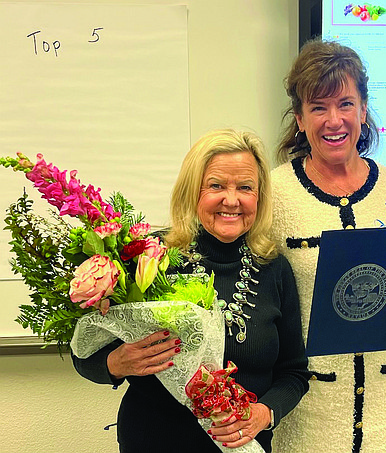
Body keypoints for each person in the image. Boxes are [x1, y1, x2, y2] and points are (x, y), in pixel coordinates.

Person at [72, 129, 310, 453]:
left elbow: (293, 373)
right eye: (216, 185)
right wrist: (116, 363)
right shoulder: (148, 255)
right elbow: (84, 357)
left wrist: (263, 414)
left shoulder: (274, 268)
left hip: (243, 447)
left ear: (259, 196)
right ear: (191, 191)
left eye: (245, 187)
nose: (231, 199)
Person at [270, 39, 386, 453]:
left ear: (364, 111)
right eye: (318, 107)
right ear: (299, 118)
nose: (334, 120)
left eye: (345, 104)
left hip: (385, 415)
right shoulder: (274, 192)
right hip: (308, 414)